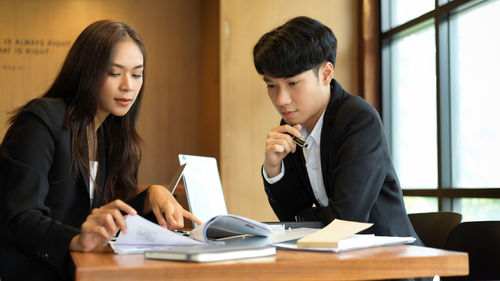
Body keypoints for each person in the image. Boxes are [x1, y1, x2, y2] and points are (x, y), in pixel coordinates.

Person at [0, 20, 201, 281]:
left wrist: (149, 197)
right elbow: (19, 217)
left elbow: (101, 216)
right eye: (114, 73)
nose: (128, 85)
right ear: (86, 72)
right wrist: (76, 238)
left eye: (137, 74)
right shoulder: (41, 121)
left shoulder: (109, 133)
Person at [253, 16, 422, 243]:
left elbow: (346, 219)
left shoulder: (358, 119)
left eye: (293, 83)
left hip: (391, 264)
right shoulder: (291, 128)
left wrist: (302, 219)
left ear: (326, 73)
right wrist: (273, 169)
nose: (281, 99)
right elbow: (290, 219)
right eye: (271, 85)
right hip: (338, 257)